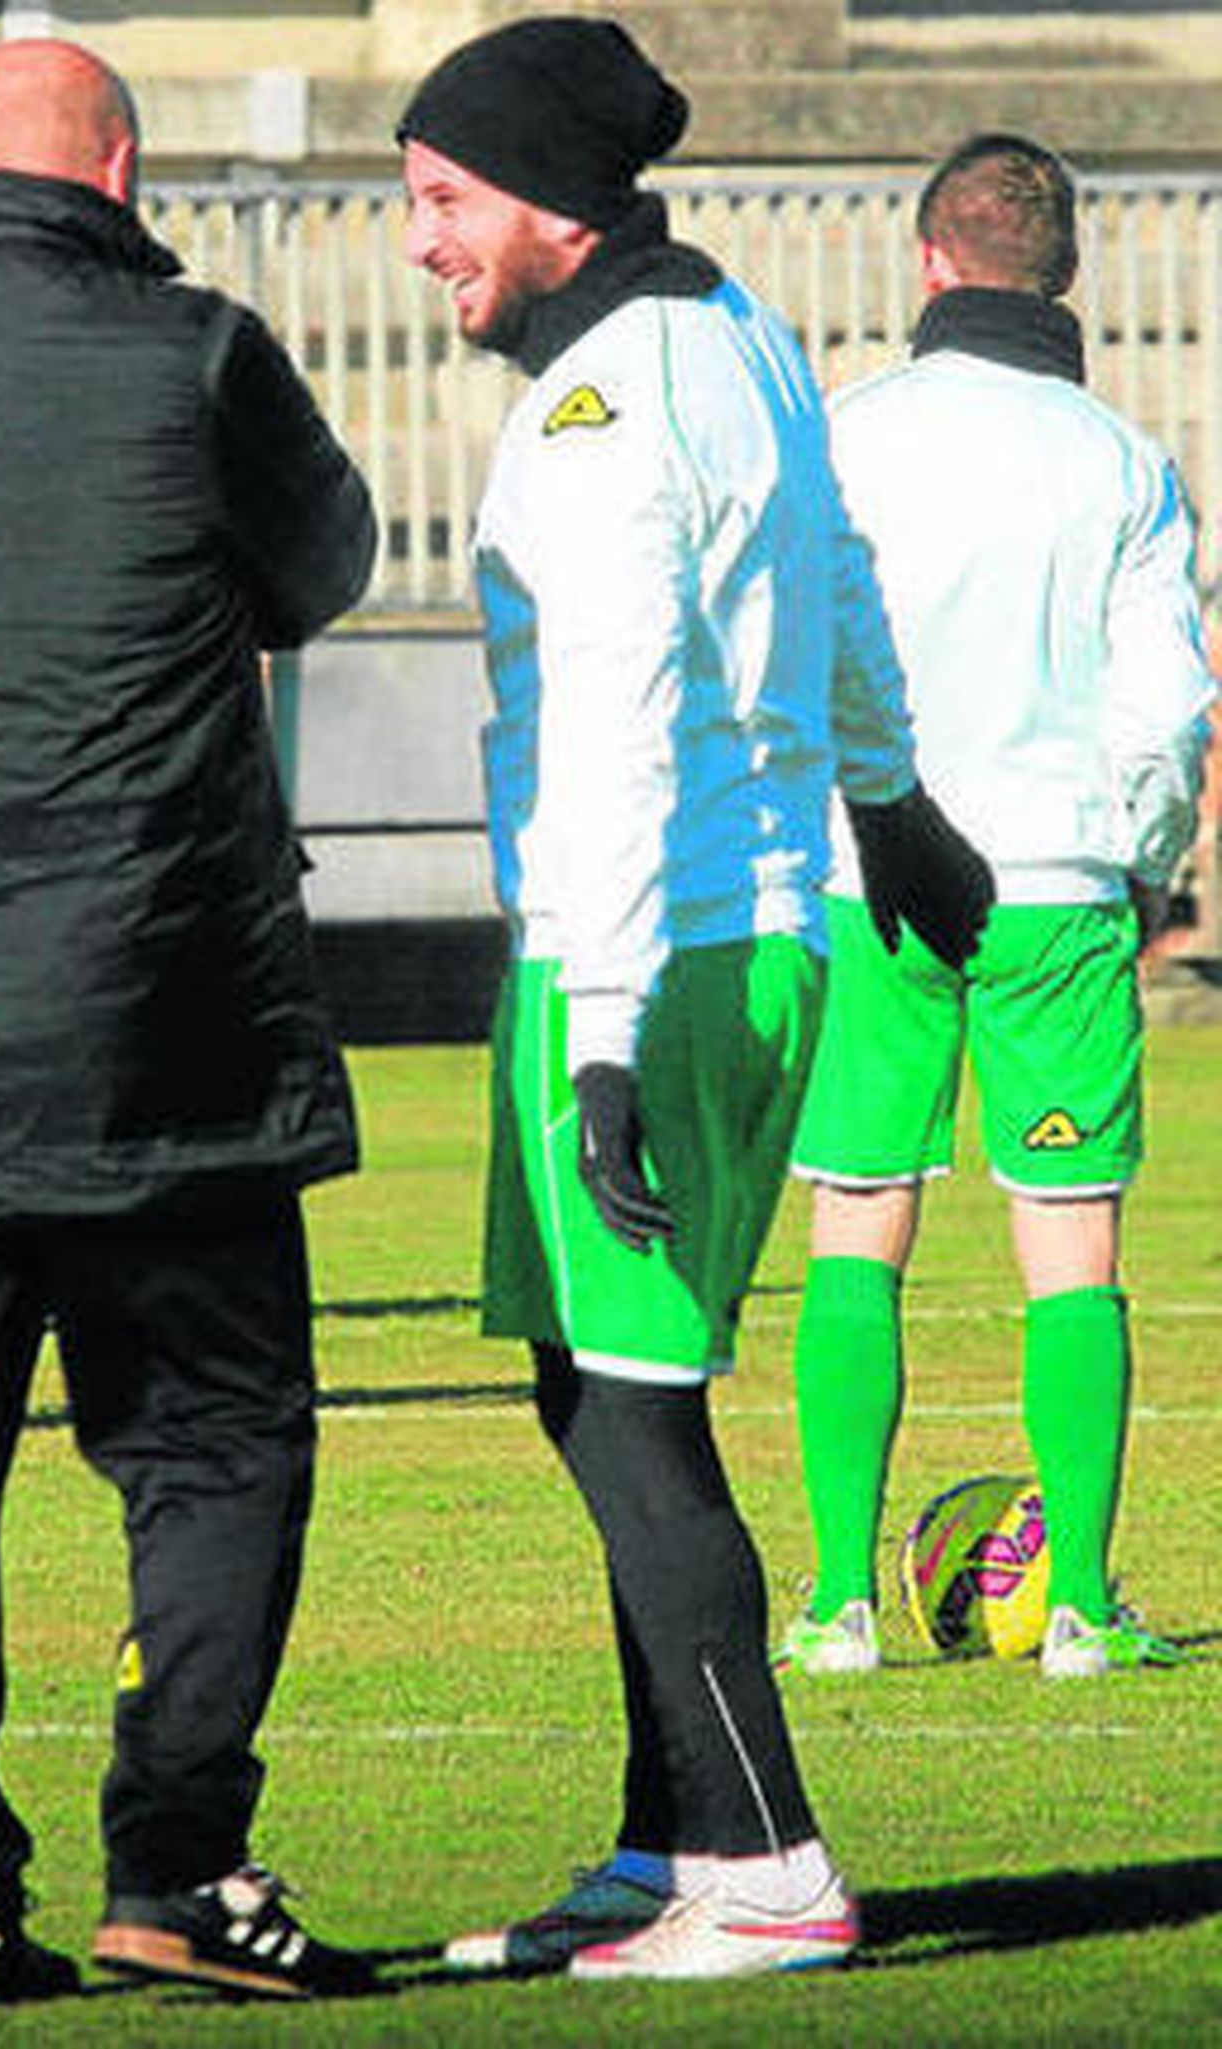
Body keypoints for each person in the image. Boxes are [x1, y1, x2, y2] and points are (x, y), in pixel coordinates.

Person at [0, 39, 377, 2009]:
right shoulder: (194, 352)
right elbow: (328, 563)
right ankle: (175, 1859)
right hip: (155, 1018)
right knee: (210, 1442)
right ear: (123, 175)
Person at [397, 16, 991, 1984]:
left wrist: (591, 1043)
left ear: (553, 210)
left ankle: (766, 1861)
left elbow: (624, 725)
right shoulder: (721, 326)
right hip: (713, 930)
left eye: (443, 200)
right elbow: (833, 575)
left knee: (637, 1416)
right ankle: (667, 1836)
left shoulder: (597, 412)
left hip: (640, 947)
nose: (419, 242)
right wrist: (890, 803)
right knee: (587, 1395)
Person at [778, 134, 1215, 1683]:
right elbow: (1169, 708)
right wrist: (1144, 859)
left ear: (927, 263)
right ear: (1070, 274)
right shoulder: (1117, 458)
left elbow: (788, 656)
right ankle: (1082, 1609)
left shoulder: (845, 436)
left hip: (865, 879)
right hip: (1054, 885)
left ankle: (836, 1601)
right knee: (1071, 1243)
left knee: (854, 1221)